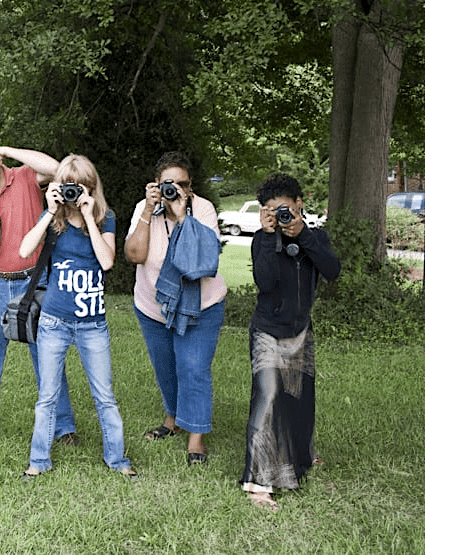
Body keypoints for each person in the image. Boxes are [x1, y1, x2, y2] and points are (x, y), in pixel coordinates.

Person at [18, 155, 137, 479]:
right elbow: (25, 250)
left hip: (92, 324)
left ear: (91, 188)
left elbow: (107, 261)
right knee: (47, 397)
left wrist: (88, 216)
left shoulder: (105, 218)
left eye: (80, 187)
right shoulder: (53, 219)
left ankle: (117, 460)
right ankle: (38, 460)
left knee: (105, 396)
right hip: (54, 321)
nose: (73, 193)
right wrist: (49, 211)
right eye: (68, 186)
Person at [0, 140, 79, 444]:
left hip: (33, 281)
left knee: (47, 355)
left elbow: (57, 169)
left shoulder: (24, 177)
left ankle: (63, 426)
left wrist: (6, 152)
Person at [240, 173, 340, 510]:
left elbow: (332, 270)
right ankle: (258, 483)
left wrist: (304, 235)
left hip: (301, 331)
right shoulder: (262, 240)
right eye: (271, 211)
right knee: (268, 396)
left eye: (284, 209)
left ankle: (300, 460)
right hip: (267, 330)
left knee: (299, 399)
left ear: (299, 204)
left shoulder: (316, 237)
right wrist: (270, 237)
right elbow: (265, 283)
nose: (280, 216)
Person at [124, 151, 226, 466]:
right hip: (153, 306)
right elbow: (134, 255)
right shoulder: (145, 209)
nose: (175, 190)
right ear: (156, 184)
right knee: (166, 367)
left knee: (193, 368)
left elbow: (203, 261)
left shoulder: (202, 209)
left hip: (201, 305)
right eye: (168, 184)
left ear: (190, 187)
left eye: (182, 184)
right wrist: (147, 211)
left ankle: (196, 438)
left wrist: (182, 218)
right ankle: (173, 419)